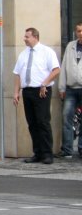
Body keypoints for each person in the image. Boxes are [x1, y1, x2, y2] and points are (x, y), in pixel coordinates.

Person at [12, 27, 60, 164]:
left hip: (41, 91)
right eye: (25, 36)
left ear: (35, 37)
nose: (24, 39)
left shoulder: (46, 52)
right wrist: (16, 92)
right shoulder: (23, 54)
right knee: (32, 123)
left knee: (43, 122)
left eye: (27, 36)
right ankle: (37, 152)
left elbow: (56, 70)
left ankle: (47, 153)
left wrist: (45, 83)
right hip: (27, 91)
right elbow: (17, 74)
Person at [57, 23, 82, 159]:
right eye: (78, 31)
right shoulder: (70, 46)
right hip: (71, 88)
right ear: (75, 32)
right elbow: (64, 66)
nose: (80, 33)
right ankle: (67, 149)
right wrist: (62, 87)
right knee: (67, 118)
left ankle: (81, 148)